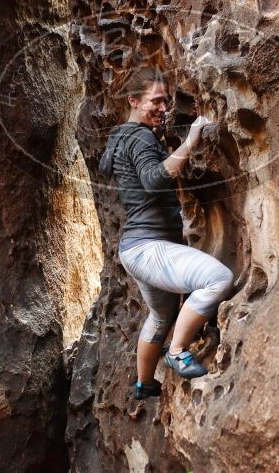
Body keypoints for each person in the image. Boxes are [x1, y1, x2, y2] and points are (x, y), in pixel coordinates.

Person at [98, 67, 234, 400]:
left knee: (162, 314)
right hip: (149, 248)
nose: (163, 108)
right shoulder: (140, 137)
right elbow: (153, 179)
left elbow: (105, 166)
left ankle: (145, 383)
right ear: (133, 100)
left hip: (136, 249)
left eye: (165, 102)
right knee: (218, 279)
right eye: (155, 102)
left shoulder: (121, 135)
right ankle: (177, 351)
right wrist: (190, 141)